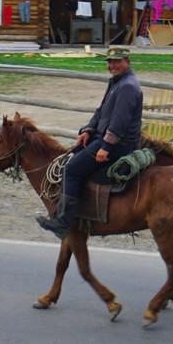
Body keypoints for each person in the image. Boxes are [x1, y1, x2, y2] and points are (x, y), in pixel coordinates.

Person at [37, 46, 143, 239]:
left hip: (118, 143)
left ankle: (63, 222)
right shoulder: (117, 82)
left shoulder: (127, 87)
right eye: (110, 62)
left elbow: (120, 122)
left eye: (117, 61)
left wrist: (106, 147)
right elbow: (100, 112)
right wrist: (87, 130)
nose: (112, 66)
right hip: (105, 137)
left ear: (127, 61)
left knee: (71, 169)